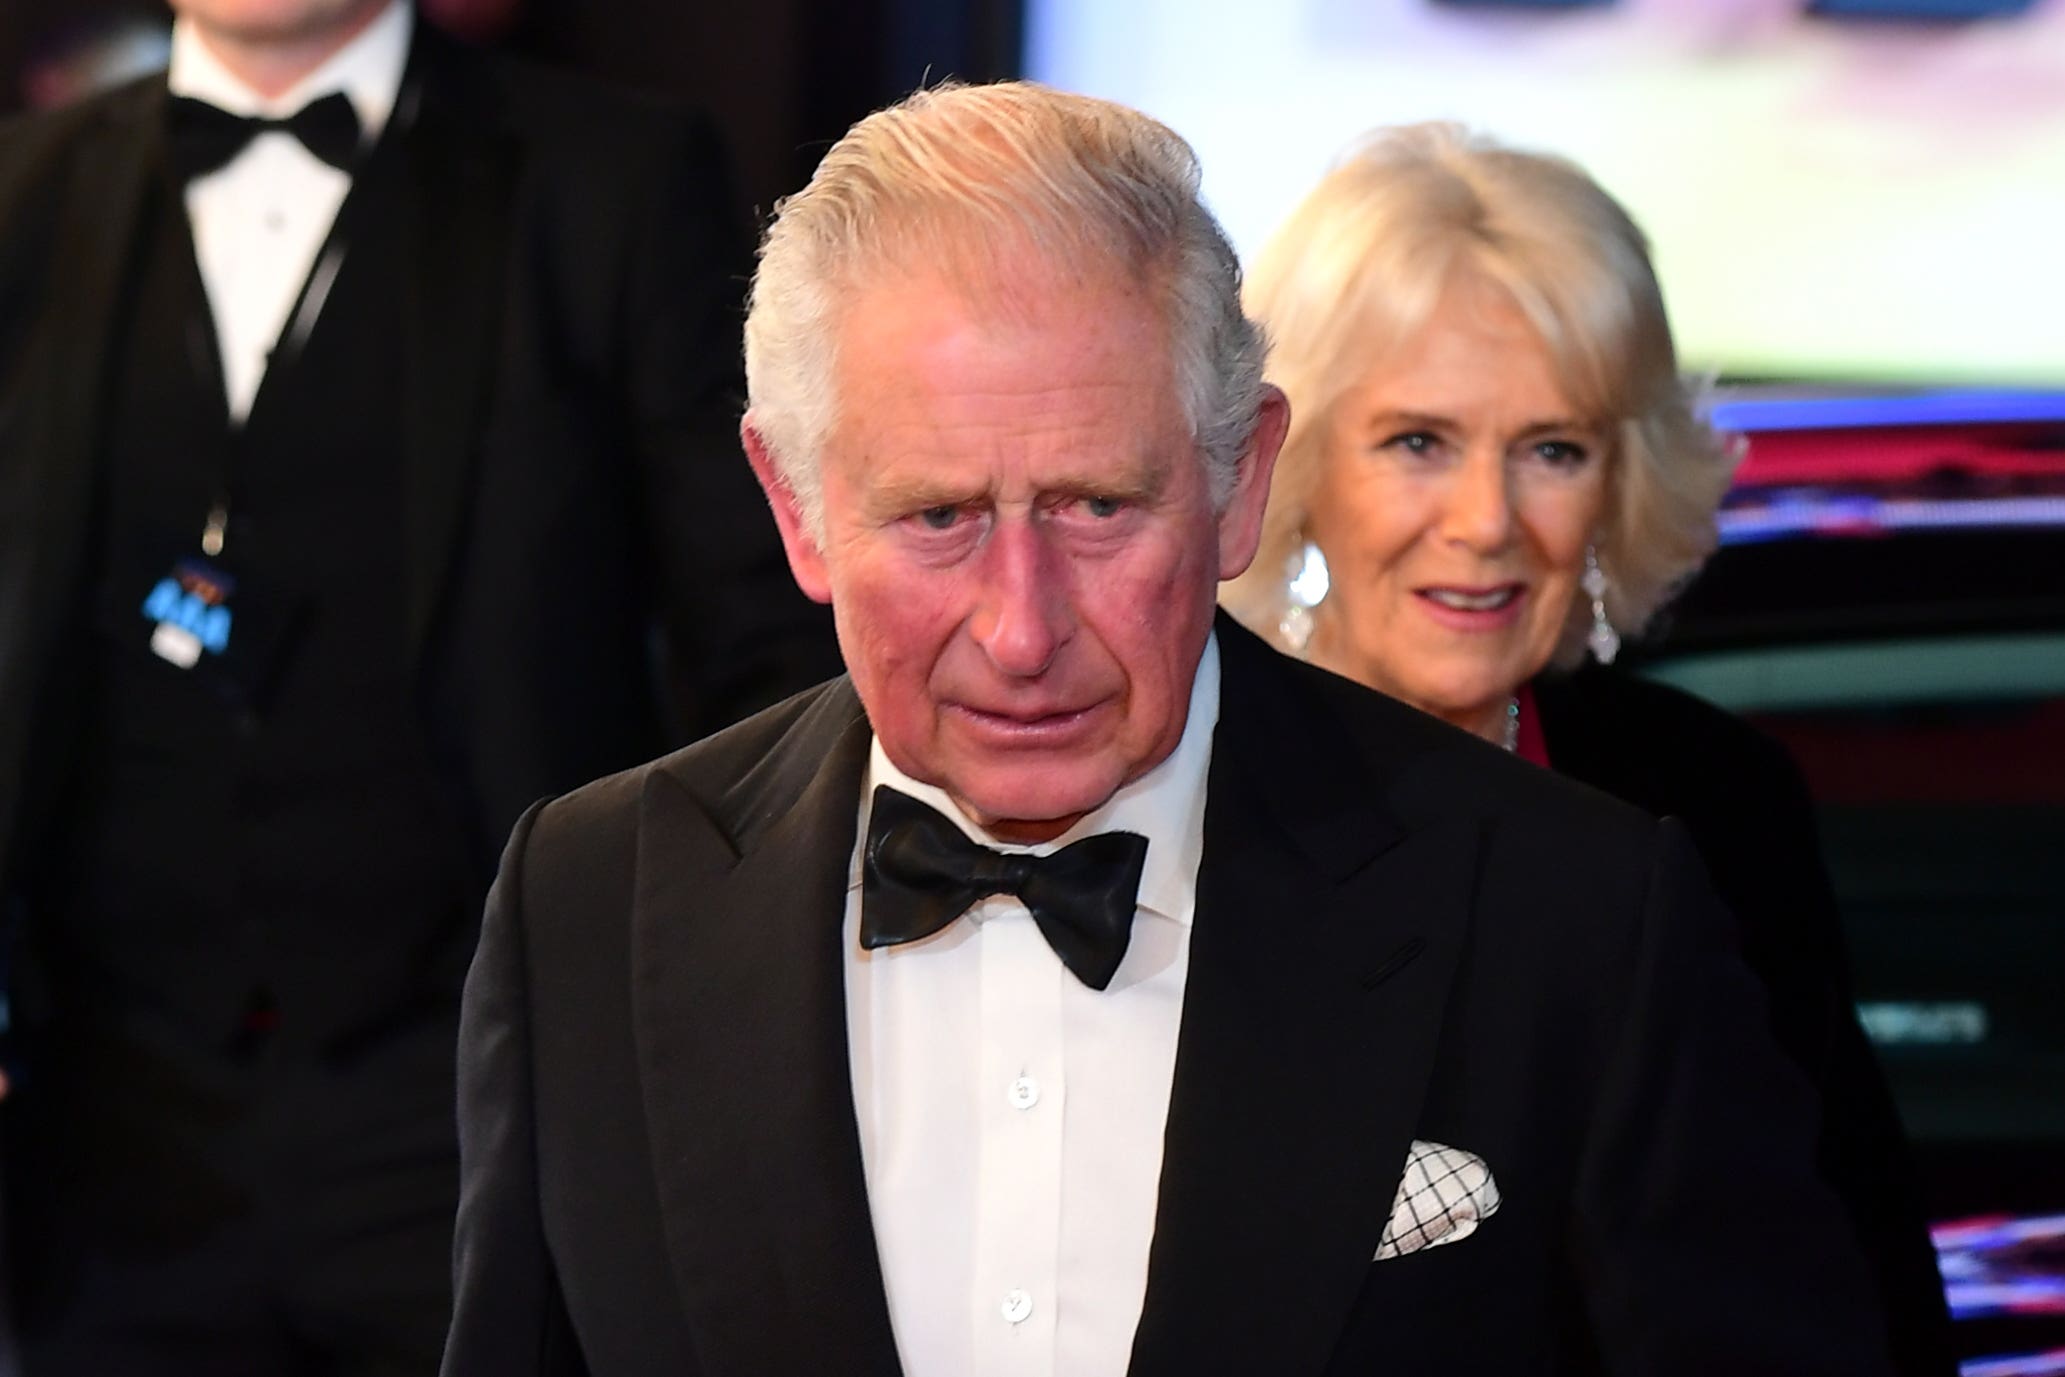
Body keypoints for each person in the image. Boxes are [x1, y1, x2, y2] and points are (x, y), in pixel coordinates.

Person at [441, 81, 1896, 1377]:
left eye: (1096, 508)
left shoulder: (1572, 911)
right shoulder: (588, 903)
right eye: (940, 517)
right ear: (796, 508)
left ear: (1240, 480)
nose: (1022, 629)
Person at [0, 0, 838, 1371]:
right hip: (103, 1132)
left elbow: (765, 642)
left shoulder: (612, 181)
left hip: (484, 1101)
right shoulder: (21, 198)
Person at [1221, 121, 1952, 1375]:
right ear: (1290, 462)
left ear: (1618, 481)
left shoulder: (1712, 806)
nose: (1486, 522)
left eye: (1551, 450)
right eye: (1418, 442)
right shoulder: (1175, 786)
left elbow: (1854, 1289)